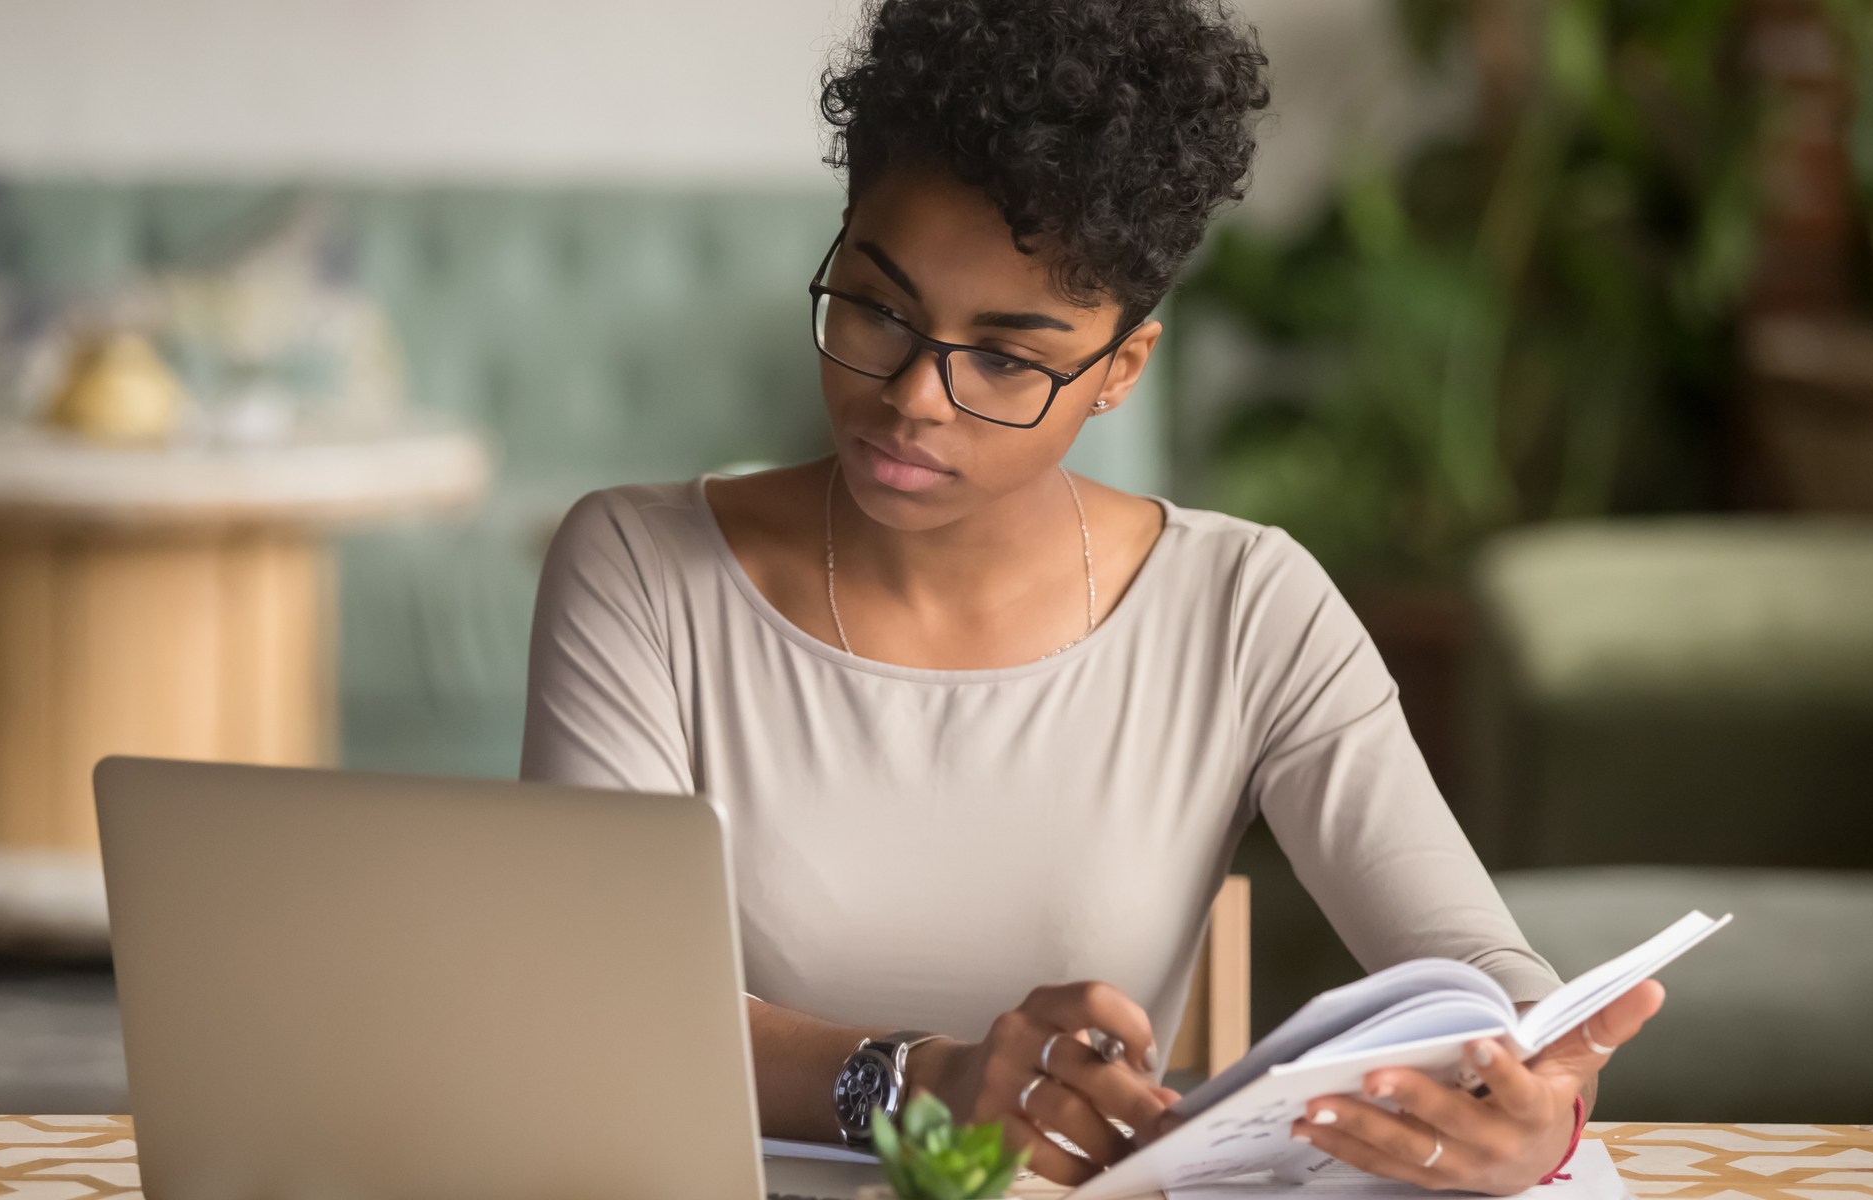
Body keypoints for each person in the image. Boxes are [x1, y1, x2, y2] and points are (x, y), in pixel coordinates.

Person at [520, 0, 1664, 1191]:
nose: (914, 395)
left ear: (1121, 369)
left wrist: (1541, 1102)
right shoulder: (640, 569)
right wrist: (921, 1086)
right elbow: (595, 999)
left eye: (1007, 357)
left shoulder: (1244, 604)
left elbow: (1478, 968)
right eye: (876, 307)